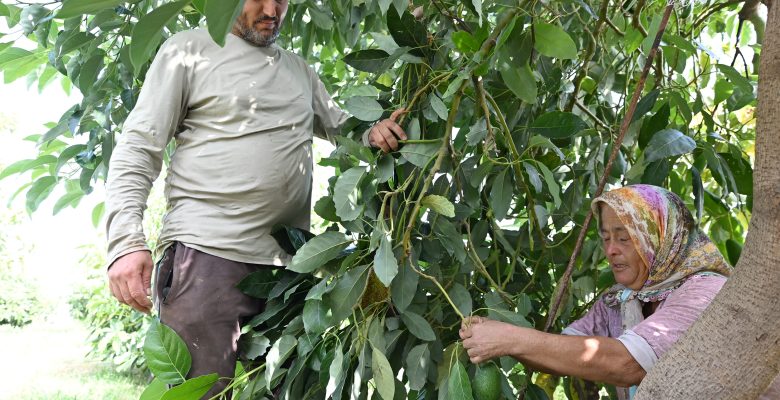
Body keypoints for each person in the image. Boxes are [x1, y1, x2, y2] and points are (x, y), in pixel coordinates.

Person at [104, 0, 407, 396]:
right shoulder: (188, 50)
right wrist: (125, 242)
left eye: (282, 0)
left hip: (288, 270)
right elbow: (139, 147)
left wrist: (376, 133)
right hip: (207, 261)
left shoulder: (300, 70)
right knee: (203, 392)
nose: (271, 9)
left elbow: (348, 130)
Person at [459, 184, 741, 399]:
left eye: (623, 238)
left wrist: (510, 338)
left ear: (661, 236)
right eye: (606, 238)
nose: (610, 250)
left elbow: (628, 364)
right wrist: (497, 338)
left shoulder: (706, 292)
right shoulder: (621, 299)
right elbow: (560, 351)